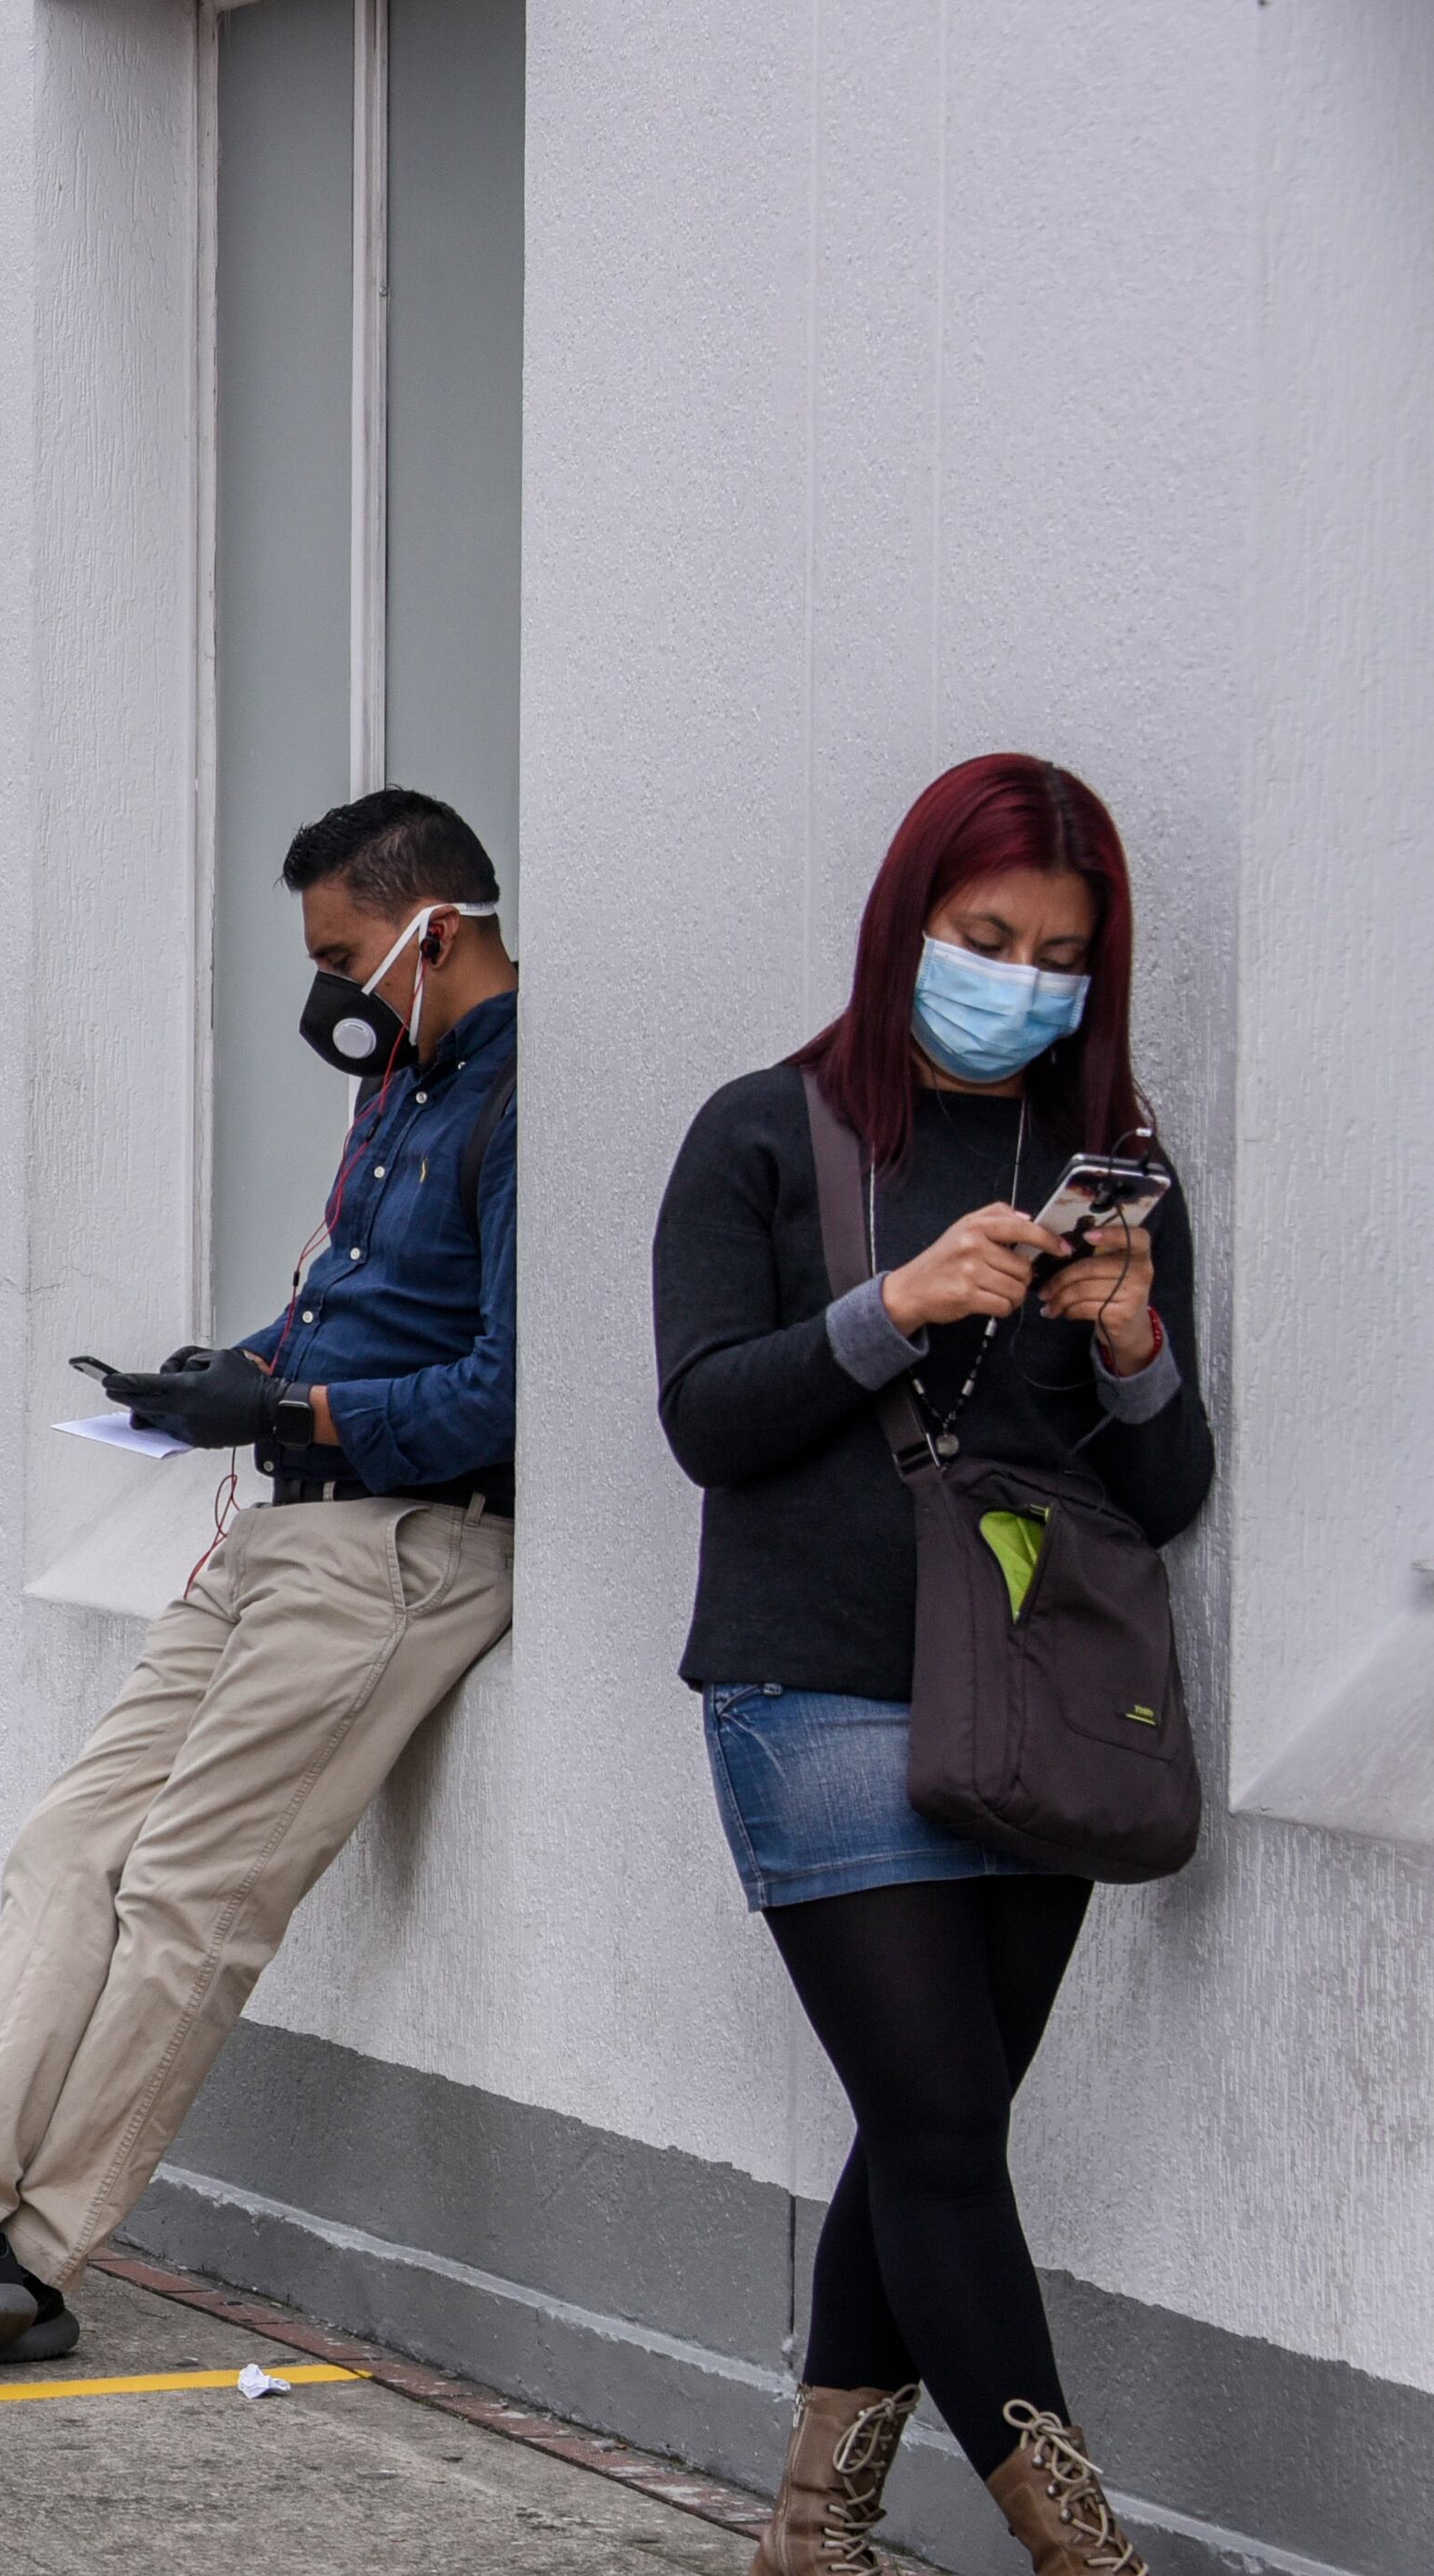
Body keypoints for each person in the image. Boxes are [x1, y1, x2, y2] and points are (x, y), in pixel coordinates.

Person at [0, 787, 518, 2372]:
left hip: (403, 1540)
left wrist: (295, 1409)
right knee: (67, 1842)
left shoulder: (526, 1104)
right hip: (285, 1523)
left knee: (189, 1892)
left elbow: (515, 1386)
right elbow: (359, 1310)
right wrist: (227, 1375)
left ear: (437, 928)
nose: (329, 992)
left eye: (343, 953)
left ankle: (24, 2259)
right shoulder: (404, 1089)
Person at [652, 755, 1204, 2576]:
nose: (1022, 978)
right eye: (985, 937)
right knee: (947, 2126)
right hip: (811, 1684)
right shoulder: (760, 1130)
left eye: (1059, 951)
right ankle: (1086, 2547)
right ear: (906, 922)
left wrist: (1128, 1339)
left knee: (921, 2134)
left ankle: (815, 2525)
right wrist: (896, 1302)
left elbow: (1161, 1484)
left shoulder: (1106, 1166)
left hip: (1030, 1693)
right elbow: (706, 1417)